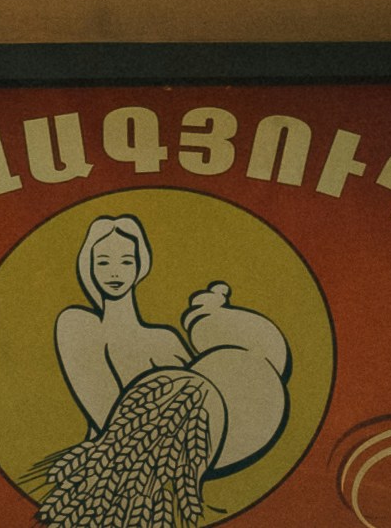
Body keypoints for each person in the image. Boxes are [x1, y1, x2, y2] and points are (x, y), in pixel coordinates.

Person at [34, 216, 290, 528]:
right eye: (103, 262)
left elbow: (210, 405)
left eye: (126, 261)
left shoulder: (164, 340)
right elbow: (110, 422)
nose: (114, 272)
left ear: (140, 266)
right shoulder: (78, 325)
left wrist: (220, 321)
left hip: (157, 491)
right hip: (100, 484)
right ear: (88, 266)